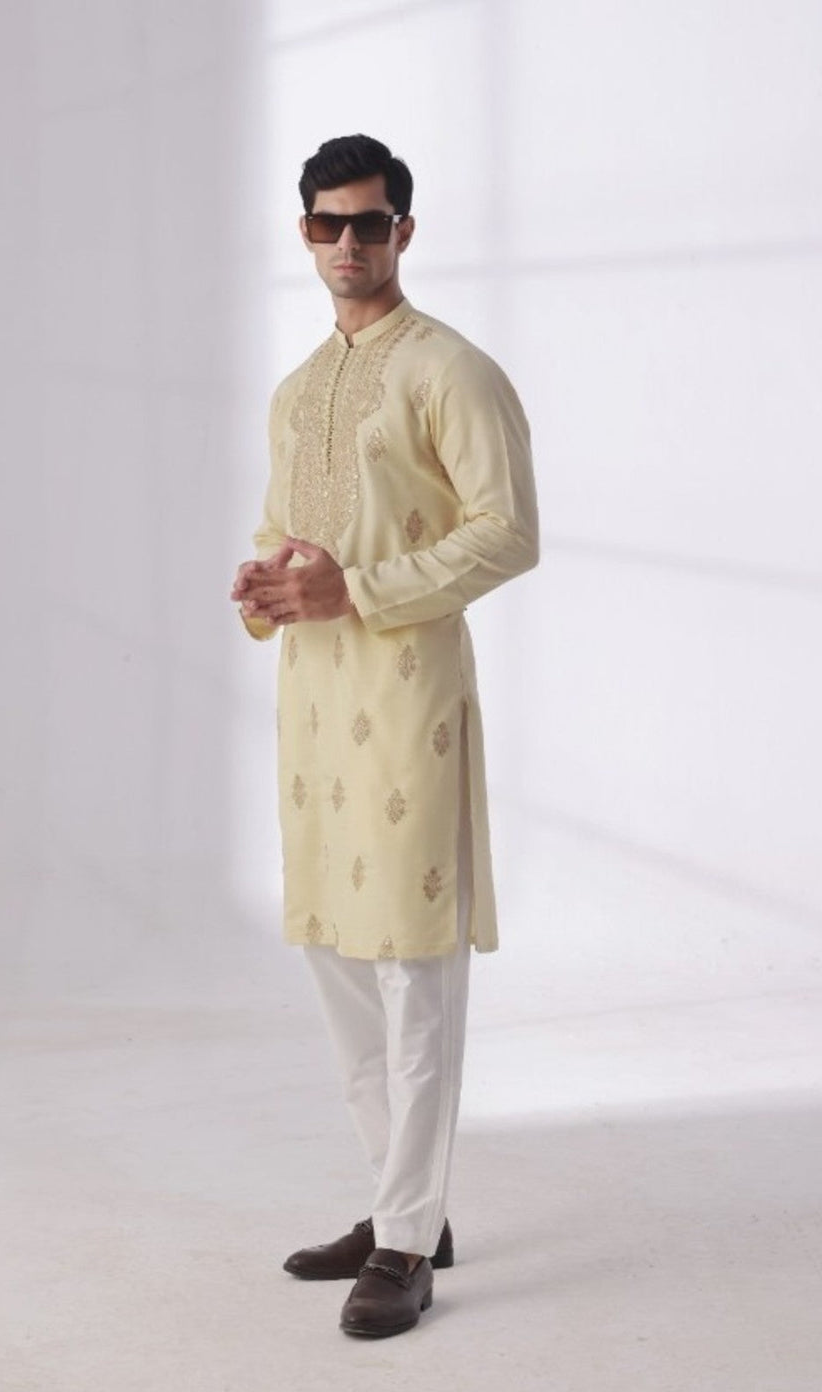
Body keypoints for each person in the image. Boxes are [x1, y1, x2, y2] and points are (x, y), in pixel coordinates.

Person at [231, 134, 539, 1339]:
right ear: (306, 234)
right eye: (327, 223)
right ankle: (405, 1205)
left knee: (412, 967)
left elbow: (505, 532)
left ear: (403, 231)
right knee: (335, 954)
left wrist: (354, 589)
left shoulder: (450, 371)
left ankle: (406, 1243)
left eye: (369, 222)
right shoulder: (299, 389)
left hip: (407, 702)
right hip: (314, 710)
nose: (347, 242)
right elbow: (281, 530)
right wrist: (265, 587)